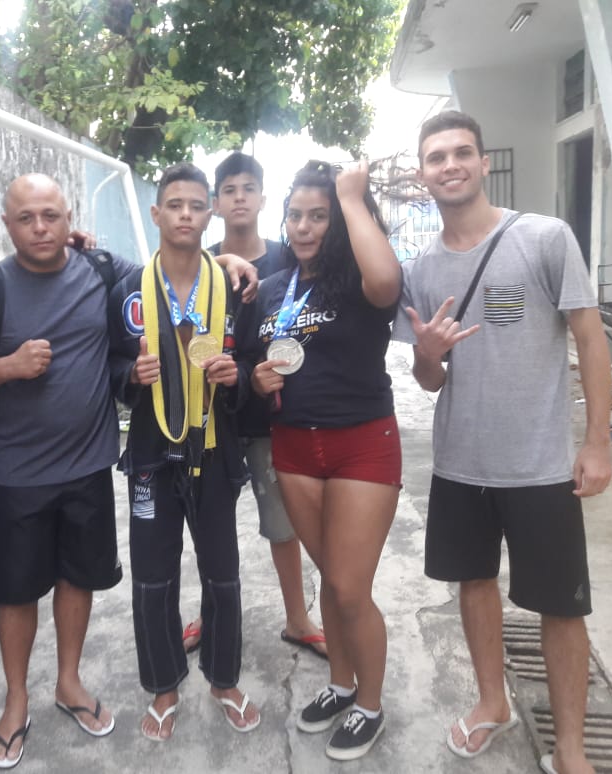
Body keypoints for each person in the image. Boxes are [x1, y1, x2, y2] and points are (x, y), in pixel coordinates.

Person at [0, 173, 258, 766]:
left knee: (141, 577)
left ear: (70, 220)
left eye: (51, 216)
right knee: (52, 588)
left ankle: (133, 681)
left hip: (139, 459)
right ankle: (51, 698)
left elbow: (229, 335)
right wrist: (23, 368)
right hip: (58, 465)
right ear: (7, 223)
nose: (41, 228)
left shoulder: (117, 274)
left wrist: (233, 261)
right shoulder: (6, 290)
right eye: (27, 218)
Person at [393, 110, 612, 774]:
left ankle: (570, 748)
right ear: (422, 174)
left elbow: (590, 337)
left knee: (560, 606)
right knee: (475, 583)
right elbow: (430, 381)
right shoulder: (422, 269)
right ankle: (493, 703)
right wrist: (427, 356)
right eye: (436, 157)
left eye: (462, 152)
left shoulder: (544, 238)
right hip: (462, 463)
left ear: (484, 162)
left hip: (541, 463)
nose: (450, 165)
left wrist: (598, 441)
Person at [241, 160, 402, 760]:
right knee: (331, 585)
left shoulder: (360, 277)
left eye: (318, 215)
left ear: (338, 221)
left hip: (362, 443)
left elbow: (388, 283)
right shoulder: (279, 288)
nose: (304, 227)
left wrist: (352, 199)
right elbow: (265, 367)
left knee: (348, 586)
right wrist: (259, 382)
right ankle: (340, 684)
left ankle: (371, 704)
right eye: (295, 215)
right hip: (294, 447)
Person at [108, 162, 261, 742]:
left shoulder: (235, 287)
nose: (187, 215)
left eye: (198, 205)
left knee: (223, 574)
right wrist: (131, 373)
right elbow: (109, 363)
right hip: (149, 453)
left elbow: (251, 357)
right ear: (156, 214)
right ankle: (164, 684)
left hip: (216, 451)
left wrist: (236, 376)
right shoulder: (127, 290)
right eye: (175, 205)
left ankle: (224, 678)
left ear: (211, 213)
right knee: (152, 576)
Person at [181, 151, 326, 659]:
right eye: (229, 190)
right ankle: (210, 612)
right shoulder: (196, 262)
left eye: (249, 188)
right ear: (215, 205)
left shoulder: (291, 259)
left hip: (271, 417)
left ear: (265, 198)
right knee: (210, 526)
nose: (239, 197)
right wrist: (217, 261)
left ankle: (298, 618)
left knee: (282, 525)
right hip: (212, 415)